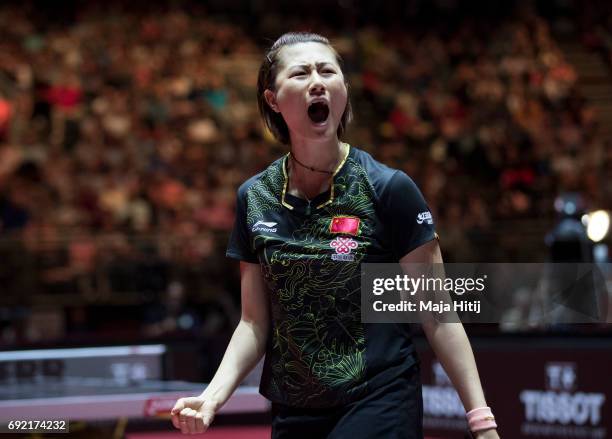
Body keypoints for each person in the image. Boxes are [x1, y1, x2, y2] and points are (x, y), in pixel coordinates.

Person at [171, 32, 500, 439]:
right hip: (293, 408)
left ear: (343, 88)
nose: (317, 81)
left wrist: (481, 421)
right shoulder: (255, 198)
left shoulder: (387, 189)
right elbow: (254, 323)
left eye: (328, 70)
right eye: (301, 72)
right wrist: (213, 396)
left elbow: (438, 315)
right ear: (273, 99)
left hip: (378, 397)